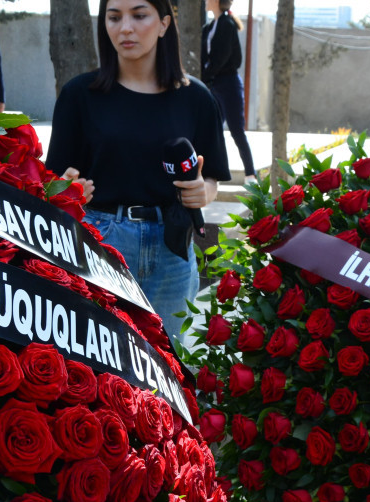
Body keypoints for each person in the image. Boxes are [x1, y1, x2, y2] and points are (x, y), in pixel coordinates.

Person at [45, 0, 231, 341]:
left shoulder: (197, 98)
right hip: (100, 243)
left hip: (172, 248)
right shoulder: (78, 95)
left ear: (163, 24)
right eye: (114, 17)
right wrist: (67, 189)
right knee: (100, 364)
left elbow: (213, 177)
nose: (125, 27)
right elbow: (52, 181)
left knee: (167, 367)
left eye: (139, 15)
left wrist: (204, 190)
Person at [202, 0, 256, 182]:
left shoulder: (227, 24)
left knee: (236, 130)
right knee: (213, 128)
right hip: (214, 84)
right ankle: (211, 171)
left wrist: (207, 76)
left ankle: (250, 175)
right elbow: (206, 59)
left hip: (229, 84)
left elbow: (224, 57)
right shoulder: (209, 27)